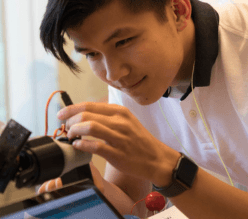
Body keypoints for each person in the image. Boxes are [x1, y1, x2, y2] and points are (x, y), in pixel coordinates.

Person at [38, 0, 248, 218]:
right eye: (92, 54)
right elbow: (133, 203)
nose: (112, 75)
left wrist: (164, 166)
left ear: (177, 11)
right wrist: (93, 186)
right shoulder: (130, 81)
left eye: (123, 42)